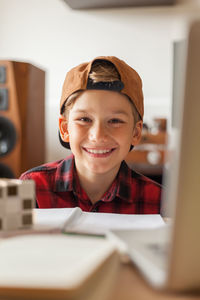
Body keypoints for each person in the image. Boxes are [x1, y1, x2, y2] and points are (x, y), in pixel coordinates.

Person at [20, 56, 162, 213]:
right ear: (65, 129)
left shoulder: (160, 201)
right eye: (84, 119)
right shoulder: (31, 188)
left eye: (115, 120)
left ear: (136, 133)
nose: (98, 135)